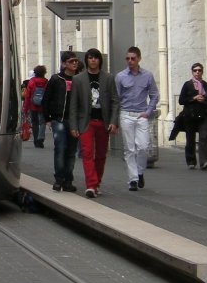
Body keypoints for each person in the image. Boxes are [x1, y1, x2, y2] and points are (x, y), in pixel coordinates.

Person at [69, 48, 119, 198]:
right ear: (86, 60)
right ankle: (90, 185)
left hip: (103, 122)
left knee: (101, 154)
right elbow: (73, 104)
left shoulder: (109, 78)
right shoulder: (78, 79)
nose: (93, 60)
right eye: (90, 58)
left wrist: (113, 121)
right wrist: (73, 125)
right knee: (87, 153)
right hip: (86, 122)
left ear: (100, 60)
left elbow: (115, 101)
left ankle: (96, 183)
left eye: (96, 58)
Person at [115, 46, 159, 191]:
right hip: (126, 114)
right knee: (130, 149)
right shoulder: (121, 76)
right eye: (128, 58)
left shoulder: (147, 75)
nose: (130, 61)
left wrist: (148, 111)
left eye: (133, 58)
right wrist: (116, 117)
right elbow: (116, 98)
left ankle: (140, 172)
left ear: (139, 59)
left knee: (143, 147)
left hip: (141, 115)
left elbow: (154, 95)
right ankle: (132, 179)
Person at [41, 51, 80, 192]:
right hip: (59, 119)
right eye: (71, 61)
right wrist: (47, 118)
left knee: (71, 151)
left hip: (74, 120)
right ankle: (59, 179)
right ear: (64, 64)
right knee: (60, 148)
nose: (75, 63)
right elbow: (46, 99)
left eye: (76, 61)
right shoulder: (56, 79)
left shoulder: (79, 79)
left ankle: (68, 180)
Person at [177, 62, 207, 170]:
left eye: (199, 70)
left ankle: (204, 161)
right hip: (190, 116)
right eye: (195, 70)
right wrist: (194, 98)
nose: (197, 72)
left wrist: (204, 100)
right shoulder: (187, 85)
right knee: (190, 139)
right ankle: (191, 160)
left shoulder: (206, 85)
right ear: (192, 72)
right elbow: (181, 100)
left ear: (202, 72)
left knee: (203, 138)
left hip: (203, 116)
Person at [22, 65, 48, 148]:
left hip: (33, 106)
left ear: (35, 73)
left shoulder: (32, 81)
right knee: (42, 122)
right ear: (44, 73)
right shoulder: (46, 82)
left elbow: (27, 96)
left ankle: (36, 140)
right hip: (43, 106)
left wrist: (25, 108)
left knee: (35, 123)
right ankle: (41, 137)